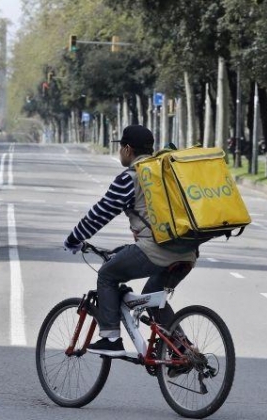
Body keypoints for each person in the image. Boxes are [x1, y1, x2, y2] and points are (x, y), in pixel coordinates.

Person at [63, 125, 197, 357]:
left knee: (107, 274)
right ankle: (183, 350)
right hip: (187, 251)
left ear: (127, 149)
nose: (120, 154)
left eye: (121, 149)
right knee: (154, 296)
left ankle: (111, 338)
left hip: (157, 250)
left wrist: (75, 238)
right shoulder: (167, 173)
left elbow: (100, 214)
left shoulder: (131, 177)